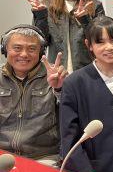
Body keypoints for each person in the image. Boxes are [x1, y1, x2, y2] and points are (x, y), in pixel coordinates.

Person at [59, 16, 113, 172]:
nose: (109, 47)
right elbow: (69, 137)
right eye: (100, 42)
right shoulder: (74, 82)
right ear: (89, 45)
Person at [22, 0, 105, 72]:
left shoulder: (94, 5)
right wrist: (40, 15)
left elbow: (100, 40)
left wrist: (85, 20)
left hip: (88, 71)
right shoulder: (46, 6)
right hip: (57, 71)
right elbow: (40, 42)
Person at [0, 24, 67, 164]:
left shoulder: (55, 77)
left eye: (31, 49)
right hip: (3, 156)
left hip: (44, 157)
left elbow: (71, 112)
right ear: (5, 50)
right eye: (17, 48)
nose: (24, 54)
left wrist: (60, 89)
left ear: (41, 52)